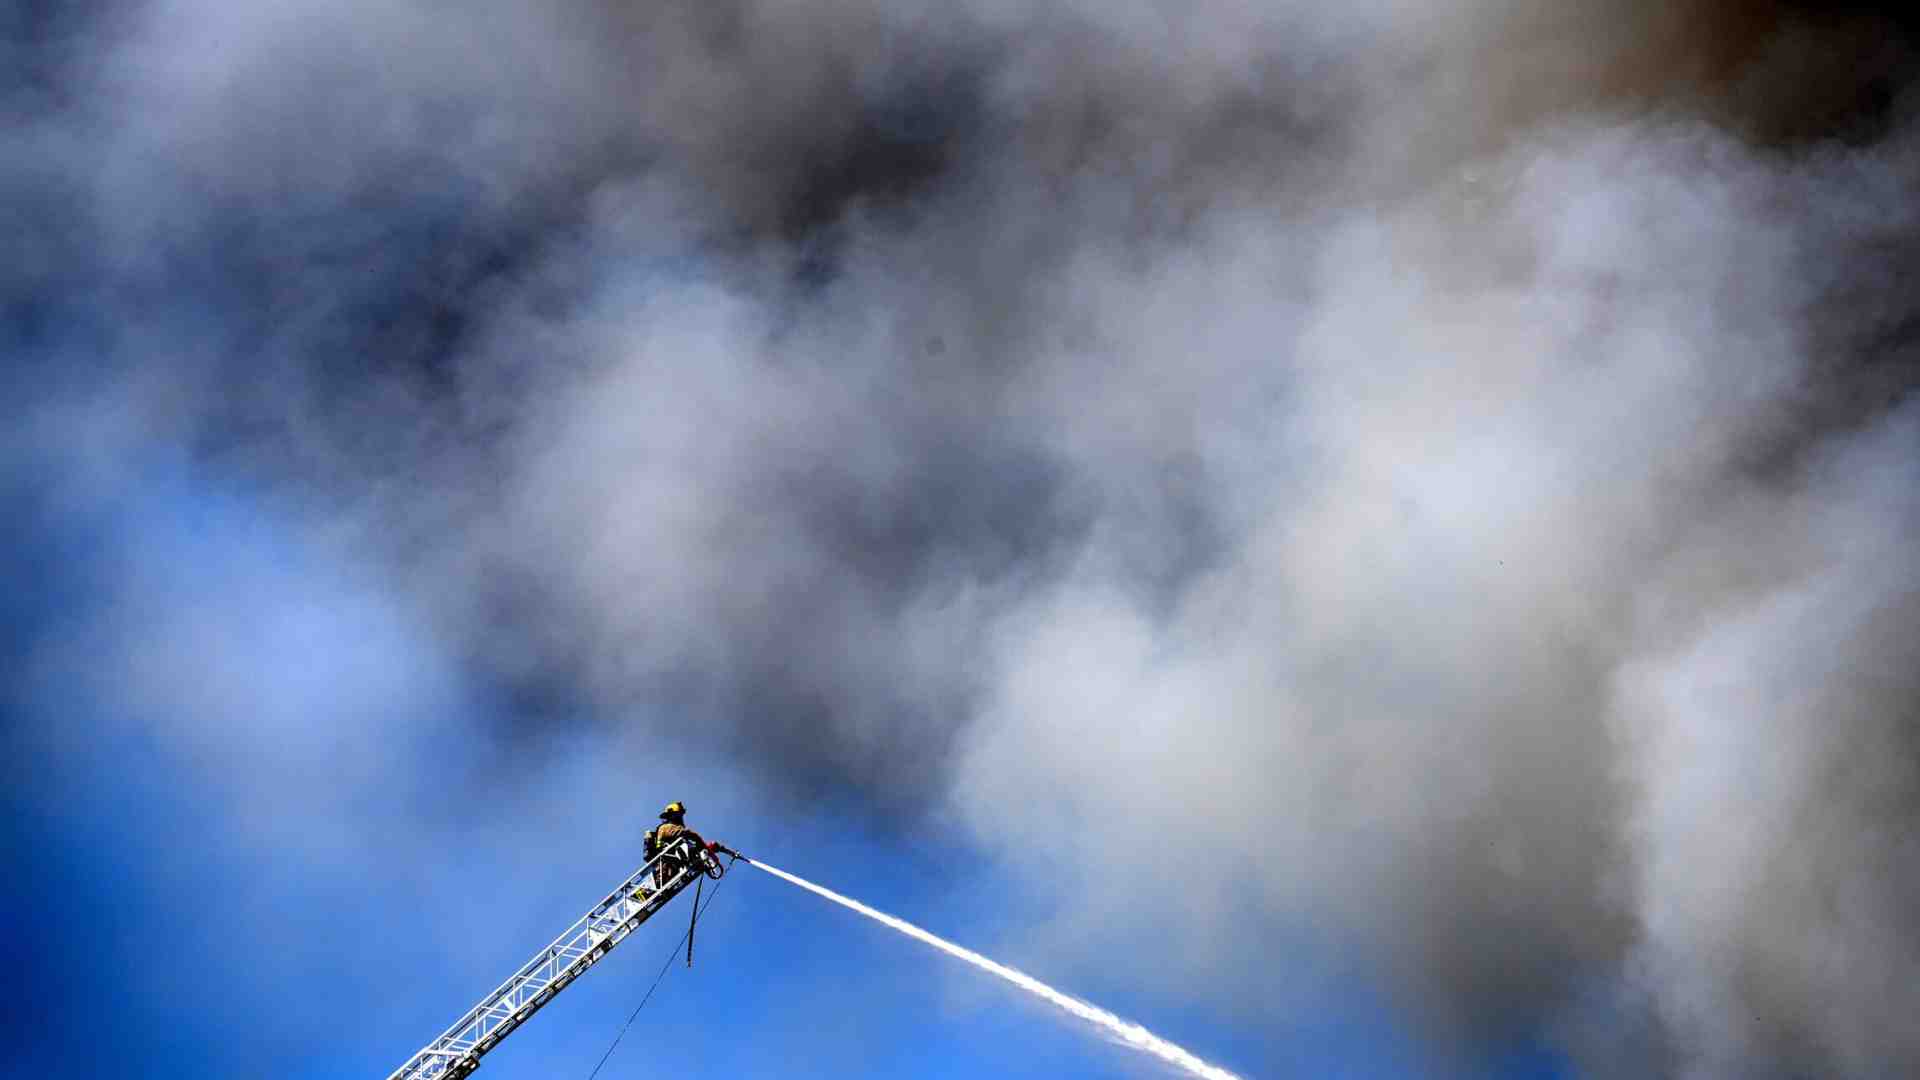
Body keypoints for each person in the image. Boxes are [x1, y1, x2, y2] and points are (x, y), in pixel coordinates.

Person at [632, 801, 704, 902]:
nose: (681, 818)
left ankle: (644, 894)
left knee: (665, 885)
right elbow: (688, 834)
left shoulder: (672, 827)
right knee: (660, 883)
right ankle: (641, 894)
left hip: (670, 861)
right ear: (673, 815)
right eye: (679, 815)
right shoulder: (667, 827)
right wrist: (701, 844)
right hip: (666, 860)